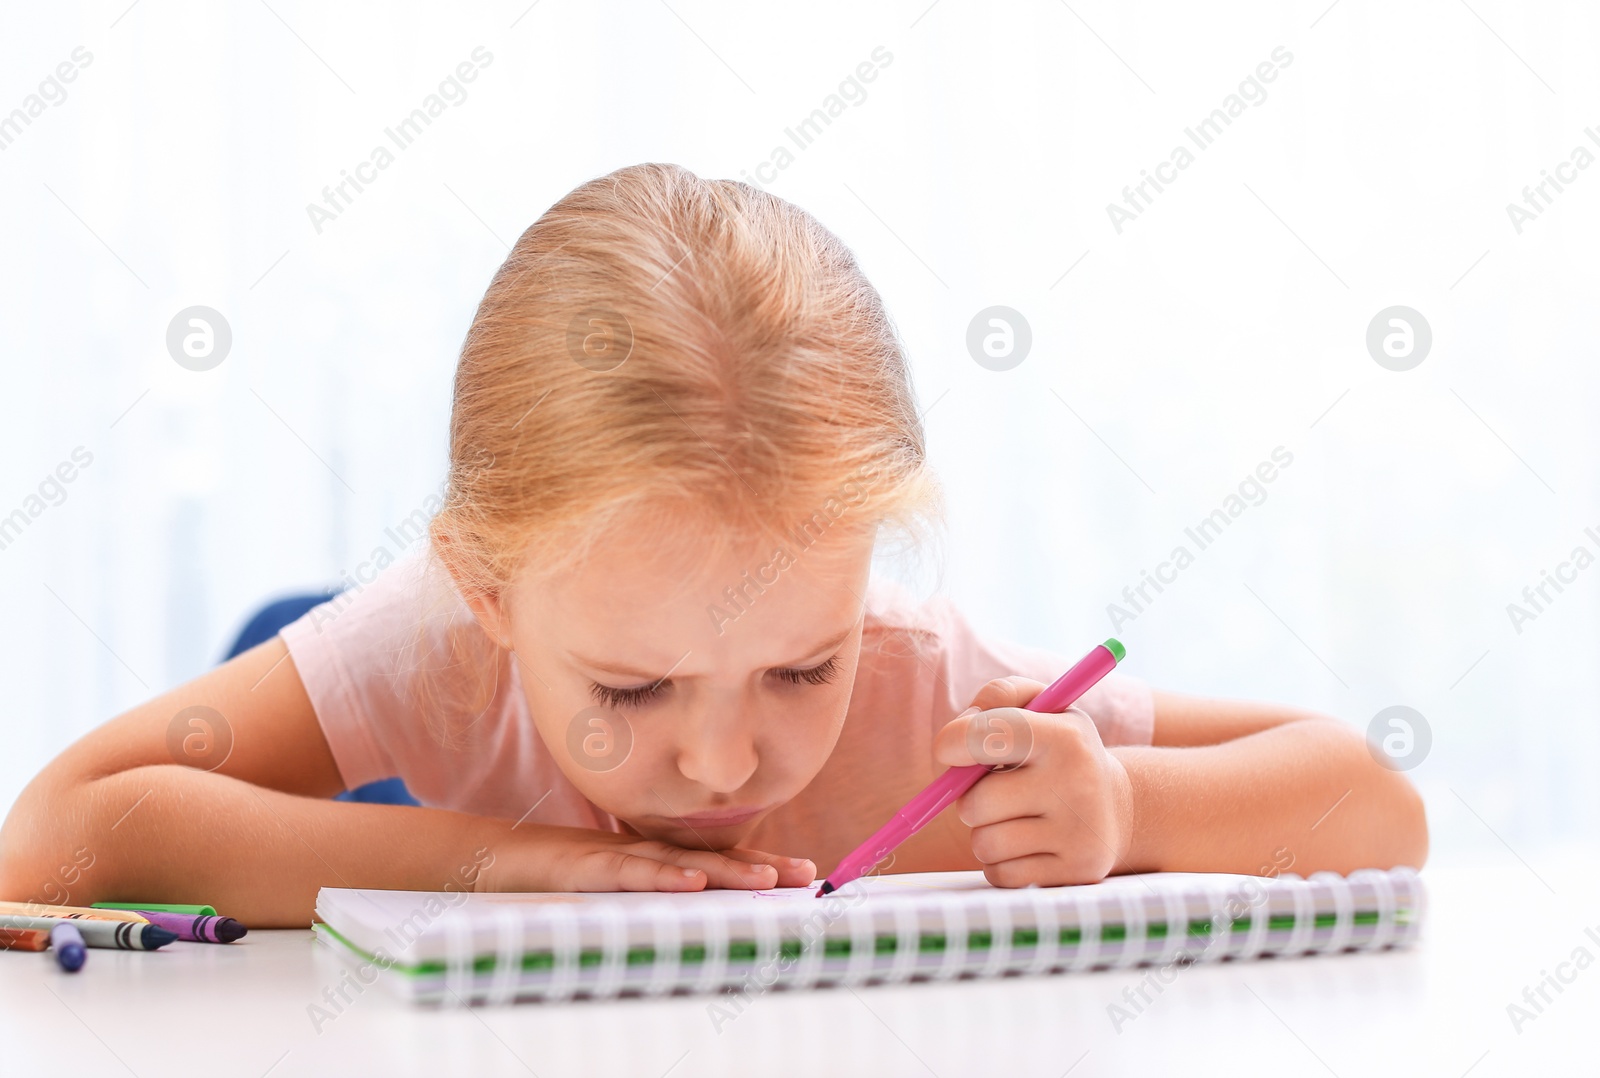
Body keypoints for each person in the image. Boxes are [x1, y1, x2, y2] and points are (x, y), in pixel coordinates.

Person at [0, 164, 1426, 926]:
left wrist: (1130, 814)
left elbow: (1372, 801)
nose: (728, 762)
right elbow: (54, 840)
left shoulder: (927, 679)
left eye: (801, 667)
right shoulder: (430, 634)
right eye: (629, 691)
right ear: (488, 589)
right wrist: (507, 864)